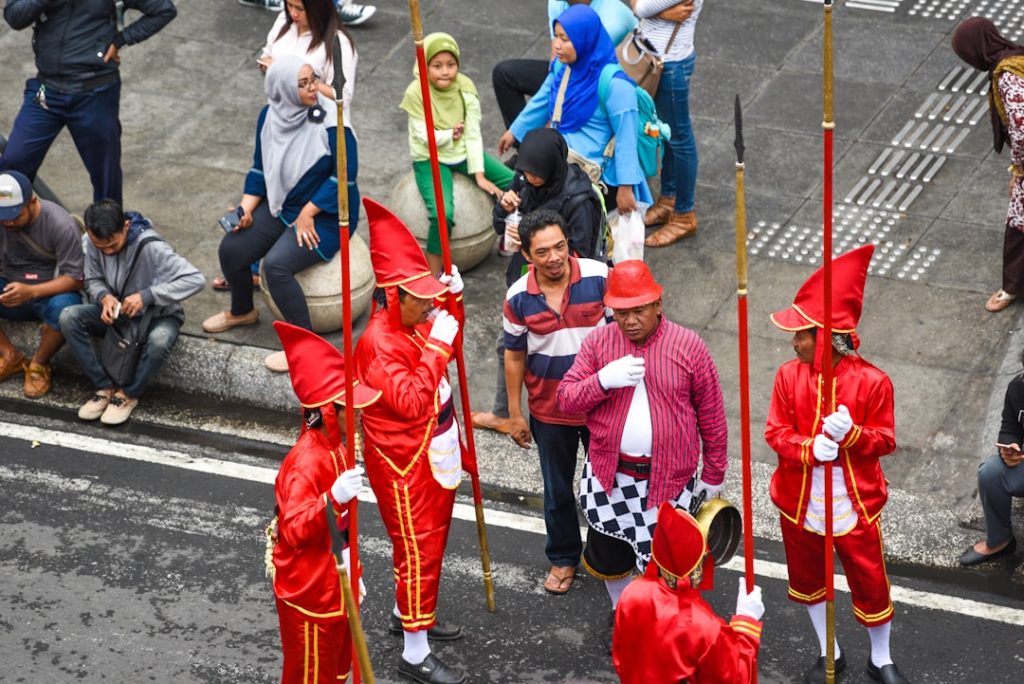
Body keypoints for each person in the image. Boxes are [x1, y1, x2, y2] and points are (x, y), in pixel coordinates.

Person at [557, 259, 727, 637]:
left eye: (638, 310)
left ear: (657, 304)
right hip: (609, 479)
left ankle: (665, 627)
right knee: (610, 556)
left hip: (670, 483)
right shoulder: (599, 344)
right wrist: (602, 379)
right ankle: (623, 612)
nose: (630, 320)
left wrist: (713, 475)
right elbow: (566, 400)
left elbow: (712, 414)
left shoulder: (689, 346)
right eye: (621, 312)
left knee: (671, 564)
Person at [764, 245, 909, 684]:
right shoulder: (788, 377)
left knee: (871, 583)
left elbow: (885, 440)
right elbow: (775, 433)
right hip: (801, 502)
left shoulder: (873, 382)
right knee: (809, 580)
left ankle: (880, 658)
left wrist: (852, 437)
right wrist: (809, 448)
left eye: (802, 333)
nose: (794, 342)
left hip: (855, 504)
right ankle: (830, 650)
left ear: (825, 335)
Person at [354, 199, 467, 684]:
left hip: (432, 450)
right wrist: (439, 345)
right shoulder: (379, 343)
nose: (430, 303)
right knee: (418, 550)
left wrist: (453, 302)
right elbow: (411, 400)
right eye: (420, 296)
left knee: (431, 546)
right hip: (405, 462)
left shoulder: (414, 319)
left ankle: (412, 615)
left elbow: (449, 343)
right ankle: (414, 652)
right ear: (393, 295)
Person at [202, 56, 341, 373]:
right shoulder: (269, 116)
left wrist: (308, 212)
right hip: (283, 205)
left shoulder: (332, 118)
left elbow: (344, 178)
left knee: (276, 266)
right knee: (233, 249)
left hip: (325, 213)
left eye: (313, 80)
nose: (312, 88)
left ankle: (305, 345)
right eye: (302, 83)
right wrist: (245, 209)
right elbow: (260, 170)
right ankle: (242, 311)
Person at [503, 208, 612, 595]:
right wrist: (516, 414)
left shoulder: (600, 278)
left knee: (609, 486)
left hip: (603, 408)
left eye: (560, 247)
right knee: (558, 490)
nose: (554, 258)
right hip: (550, 413)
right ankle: (564, 558)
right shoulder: (518, 298)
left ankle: (608, 556)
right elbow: (514, 355)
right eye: (543, 252)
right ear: (528, 257)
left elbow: (623, 334)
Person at [267, 319, 382, 684]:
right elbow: (296, 530)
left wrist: (353, 568)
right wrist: (332, 499)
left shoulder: (340, 448)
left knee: (337, 671)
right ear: (330, 410)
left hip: (334, 579)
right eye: (353, 407)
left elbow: (343, 529)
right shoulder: (305, 462)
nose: (361, 413)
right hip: (311, 591)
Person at [472, 128, 604, 435]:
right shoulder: (523, 180)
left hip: (565, 291)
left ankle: (576, 410)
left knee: (566, 350)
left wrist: (540, 248)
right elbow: (500, 225)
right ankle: (505, 412)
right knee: (509, 345)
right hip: (524, 278)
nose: (528, 178)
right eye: (525, 171)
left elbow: (580, 254)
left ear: (550, 165)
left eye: (535, 173)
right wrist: (503, 209)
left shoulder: (578, 200)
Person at [1, 0, 177, 207]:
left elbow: (163, 10)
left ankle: (108, 235)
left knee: (106, 178)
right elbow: (14, 17)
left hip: (95, 92)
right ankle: (10, 228)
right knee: (12, 167)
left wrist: (122, 39)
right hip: (46, 89)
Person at [498, 4, 653, 218]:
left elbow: (627, 137)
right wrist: (515, 131)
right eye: (557, 37)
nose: (557, 46)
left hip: (596, 175)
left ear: (584, 39)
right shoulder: (563, 67)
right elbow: (543, 98)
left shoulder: (616, 85)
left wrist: (626, 188)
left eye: (565, 39)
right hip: (562, 163)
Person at [59, 200, 205, 425]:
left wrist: (148, 295)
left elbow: (195, 279)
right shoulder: (89, 242)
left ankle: (128, 394)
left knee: (159, 341)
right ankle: (104, 387)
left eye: (113, 246)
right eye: (101, 247)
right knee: (69, 317)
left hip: (158, 315)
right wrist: (103, 297)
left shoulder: (152, 247)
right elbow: (93, 278)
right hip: (119, 313)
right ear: (89, 232)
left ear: (125, 227)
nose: (107, 251)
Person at [399, 32, 515, 275]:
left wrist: (479, 173)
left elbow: (472, 133)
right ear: (425, 66)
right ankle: (433, 274)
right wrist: (448, 134)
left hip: (461, 152)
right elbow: (423, 135)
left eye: (451, 65)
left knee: (515, 181)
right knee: (443, 214)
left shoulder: (466, 88)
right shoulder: (416, 91)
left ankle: (509, 230)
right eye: (437, 65)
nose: (445, 72)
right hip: (429, 158)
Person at [612, 503, 764, 683]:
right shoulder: (706, 627)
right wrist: (746, 622)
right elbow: (736, 678)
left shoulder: (632, 592)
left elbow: (621, 655)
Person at [951, 18, 1024, 312]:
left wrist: (1019, 169)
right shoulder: (1017, 56)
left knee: (1019, 224)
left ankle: (1012, 288)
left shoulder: (1006, 75)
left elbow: (1021, 128)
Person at [491, 0, 637, 131]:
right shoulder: (557, 2)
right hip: (571, 71)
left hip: (605, 86)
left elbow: (588, 77)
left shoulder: (613, 19)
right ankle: (524, 151)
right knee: (504, 74)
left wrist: (554, 120)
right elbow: (555, 60)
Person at [0, 170, 83, 399]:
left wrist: (31, 291)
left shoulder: (60, 224)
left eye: (15, 216)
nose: (8, 222)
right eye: (3, 216)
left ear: (32, 202)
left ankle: (39, 364)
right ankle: (10, 357)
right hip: (10, 288)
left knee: (66, 309)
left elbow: (76, 278)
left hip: (49, 292)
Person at [633, 0, 704, 247]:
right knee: (667, 133)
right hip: (656, 56)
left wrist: (652, 10)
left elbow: (641, 9)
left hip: (670, 63)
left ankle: (684, 215)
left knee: (679, 139)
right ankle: (669, 199)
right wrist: (664, 12)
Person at [959, 355, 1024, 565]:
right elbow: (1009, 428)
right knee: (991, 472)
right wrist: (1010, 447)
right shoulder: (1018, 387)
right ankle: (1000, 540)